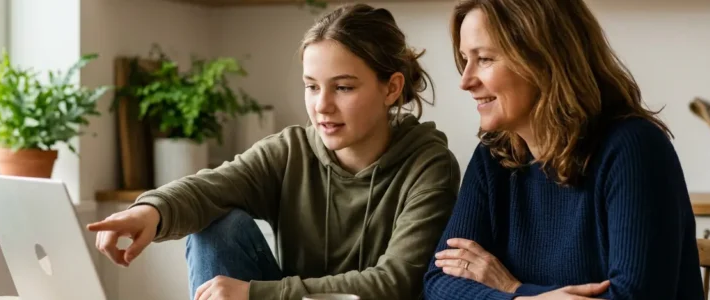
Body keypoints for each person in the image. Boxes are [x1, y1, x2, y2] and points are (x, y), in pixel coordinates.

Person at [87, 4, 462, 300]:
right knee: (216, 225)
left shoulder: (428, 166)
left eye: (343, 88)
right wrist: (149, 210)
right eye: (312, 87)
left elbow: (395, 282)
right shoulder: (291, 150)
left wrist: (256, 294)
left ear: (392, 88)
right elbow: (213, 186)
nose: (322, 106)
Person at [423, 0, 705, 299]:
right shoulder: (496, 155)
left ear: (544, 60)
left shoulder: (634, 148)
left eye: (485, 59)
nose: (465, 81)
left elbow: (635, 297)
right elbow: (439, 281)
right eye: (465, 59)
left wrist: (514, 288)